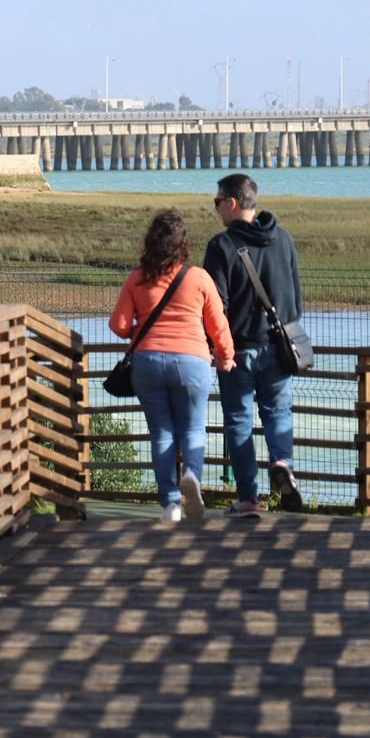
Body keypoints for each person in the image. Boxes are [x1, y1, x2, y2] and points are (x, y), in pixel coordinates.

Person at [110, 210, 236, 523]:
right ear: (183, 244)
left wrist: (138, 325)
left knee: (162, 433)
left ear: (151, 242)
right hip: (192, 361)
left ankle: (170, 504)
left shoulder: (137, 278)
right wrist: (226, 355)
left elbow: (119, 325)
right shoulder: (198, 278)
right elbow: (218, 325)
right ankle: (191, 475)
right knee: (192, 429)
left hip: (148, 363)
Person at [203, 173, 305, 516]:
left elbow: (215, 306)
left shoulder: (221, 246)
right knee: (278, 413)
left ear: (232, 203)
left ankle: (248, 498)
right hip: (279, 346)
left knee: (238, 420)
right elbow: (297, 301)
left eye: (217, 202)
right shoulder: (284, 238)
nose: (216, 208)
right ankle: (282, 463)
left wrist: (217, 347)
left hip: (238, 350)